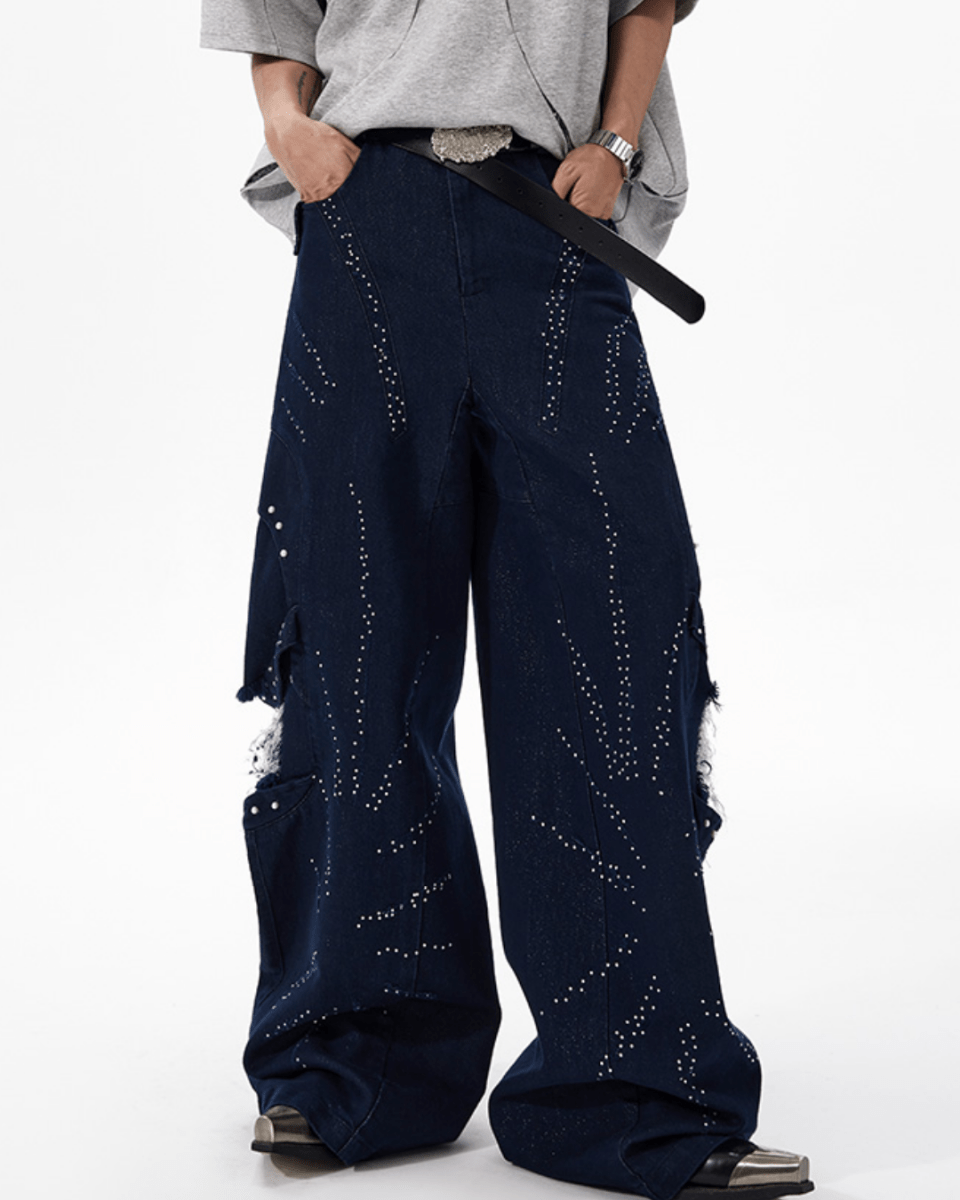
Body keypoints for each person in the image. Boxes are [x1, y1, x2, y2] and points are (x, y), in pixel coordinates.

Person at [199, 3, 814, 1198]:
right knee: (357, 649)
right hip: (366, 217)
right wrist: (289, 125)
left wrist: (619, 144)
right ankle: (353, 1062)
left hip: (551, 220)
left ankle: (631, 1092)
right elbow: (272, 8)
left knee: (611, 645)